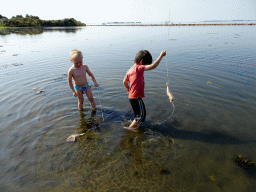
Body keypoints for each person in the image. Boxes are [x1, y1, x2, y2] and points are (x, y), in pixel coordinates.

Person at [123, 50, 166, 132]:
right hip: (136, 97)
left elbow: (124, 81)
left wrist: (128, 89)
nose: (145, 66)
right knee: (141, 116)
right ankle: (130, 129)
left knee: (138, 115)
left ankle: (135, 126)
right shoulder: (139, 68)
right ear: (142, 62)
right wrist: (161, 55)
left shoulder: (129, 70)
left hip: (132, 97)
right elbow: (153, 66)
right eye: (146, 64)